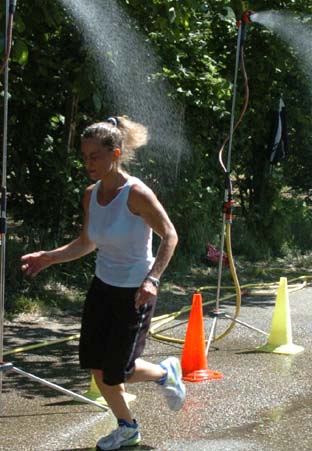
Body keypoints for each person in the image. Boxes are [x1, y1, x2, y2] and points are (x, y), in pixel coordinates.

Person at [20, 116, 185, 450]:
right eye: (85, 157)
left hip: (135, 291)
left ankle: (166, 373)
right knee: (97, 367)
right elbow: (87, 242)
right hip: (102, 288)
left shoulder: (136, 194)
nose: (88, 163)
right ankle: (128, 428)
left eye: (95, 156)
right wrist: (48, 257)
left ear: (116, 153)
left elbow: (170, 235)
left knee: (117, 371)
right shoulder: (90, 195)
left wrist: (152, 279)